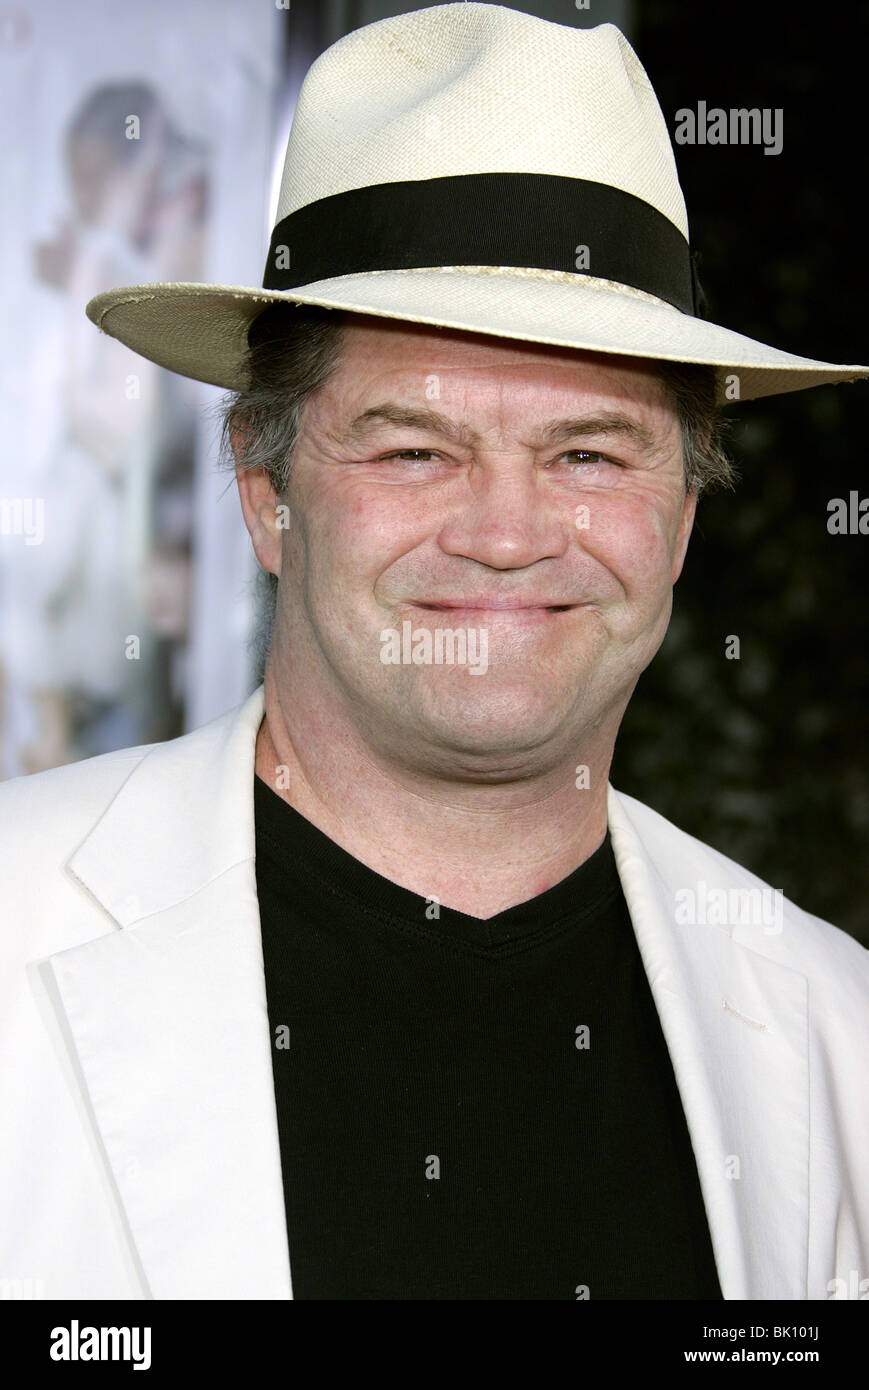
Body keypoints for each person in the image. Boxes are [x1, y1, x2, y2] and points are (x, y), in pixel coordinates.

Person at [1, 3, 866, 1301]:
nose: (507, 533)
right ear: (264, 492)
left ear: (682, 515)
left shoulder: (832, 1029)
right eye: (413, 448)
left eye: (586, 452)